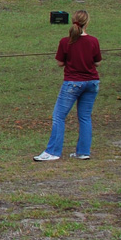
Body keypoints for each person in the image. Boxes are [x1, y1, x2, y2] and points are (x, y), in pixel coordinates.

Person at [35, 10, 101, 161]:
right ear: (87, 22)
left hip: (73, 83)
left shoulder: (66, 41)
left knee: (58, 116)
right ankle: (83, 152)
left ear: (73, 21)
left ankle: (53, 152)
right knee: (85, 117)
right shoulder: (94, 41)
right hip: (92, 82)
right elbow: (97, 62)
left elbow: (60, 63)